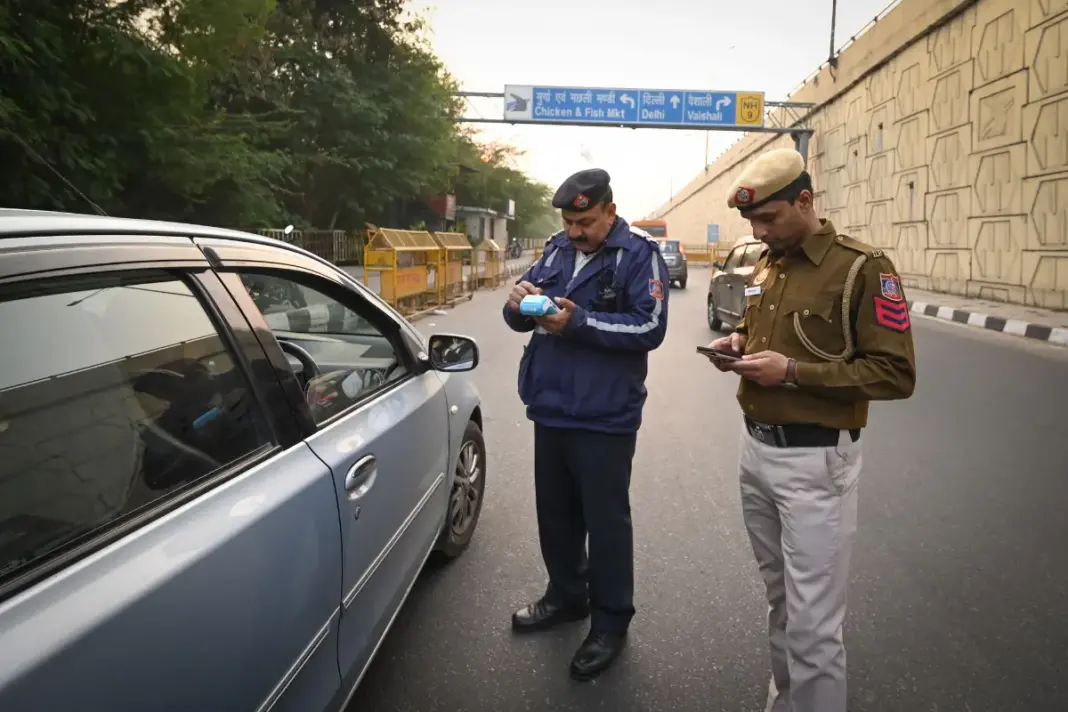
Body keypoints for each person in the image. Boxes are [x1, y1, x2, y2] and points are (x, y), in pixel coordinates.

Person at [704, 148, 916, 712]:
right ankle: (787, 700)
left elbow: (895, 374)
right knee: (781, 603)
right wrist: (738, 346)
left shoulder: (863, 268)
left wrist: (792, 373)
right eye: (751, 221)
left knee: (815, 623)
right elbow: (762, 333)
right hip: (757, 453)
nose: (759, 230)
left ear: (805, 201)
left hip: (815, 463)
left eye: (769, 218)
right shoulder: (770, 262)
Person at [502, 168, 669, 681]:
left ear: (610, 212)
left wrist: (578, 323)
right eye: (570, 221)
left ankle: (610, 622)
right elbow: (526, 313)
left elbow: (649, 325)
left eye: (586, 221)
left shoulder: (638, 254)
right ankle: (567, 597)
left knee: (605, 522)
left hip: (605, 414)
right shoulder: (555, 249)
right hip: (550, 405)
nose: (576, 231)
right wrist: (517, 306)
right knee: (556, 514)